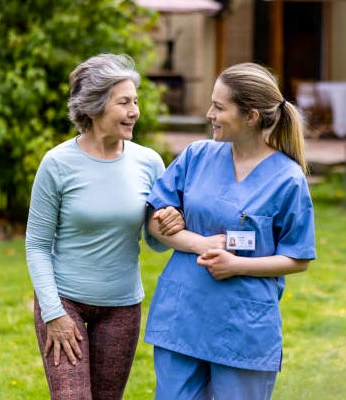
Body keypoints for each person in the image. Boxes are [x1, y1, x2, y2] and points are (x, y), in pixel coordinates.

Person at [145, 62, 316, 400]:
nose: (209, 114)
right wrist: (199, 242)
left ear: (250, 116)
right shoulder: (196, 156)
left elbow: (298, 258)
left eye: (219, 107)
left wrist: (238, 265)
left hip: (243, 329)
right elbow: (153, 221)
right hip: (183, 317)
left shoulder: (287, 178)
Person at [25, 53, 184, 400]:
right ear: (95, 107)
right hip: (64, 301)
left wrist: (170, 223)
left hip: (122, 307)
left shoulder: (149, 162)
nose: (135, 111)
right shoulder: (57, 163)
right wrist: (53, 313)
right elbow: (36, 244)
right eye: (124, 102)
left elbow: (154, 242)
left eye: (136, 101)